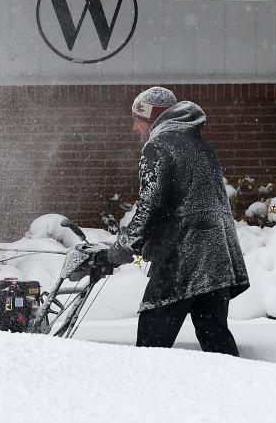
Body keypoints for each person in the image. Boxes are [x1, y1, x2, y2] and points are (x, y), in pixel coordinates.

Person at [106, 86, 250, 356]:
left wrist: (124, 246)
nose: (134, 127)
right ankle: (234, 392)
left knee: (151, 343)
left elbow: (150, 205)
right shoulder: (201, 146)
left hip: (182, 257)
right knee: (216, 340)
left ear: (151, 117)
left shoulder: (158, 145)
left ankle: (146, 394)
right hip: (217, 258)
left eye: (137, 119)